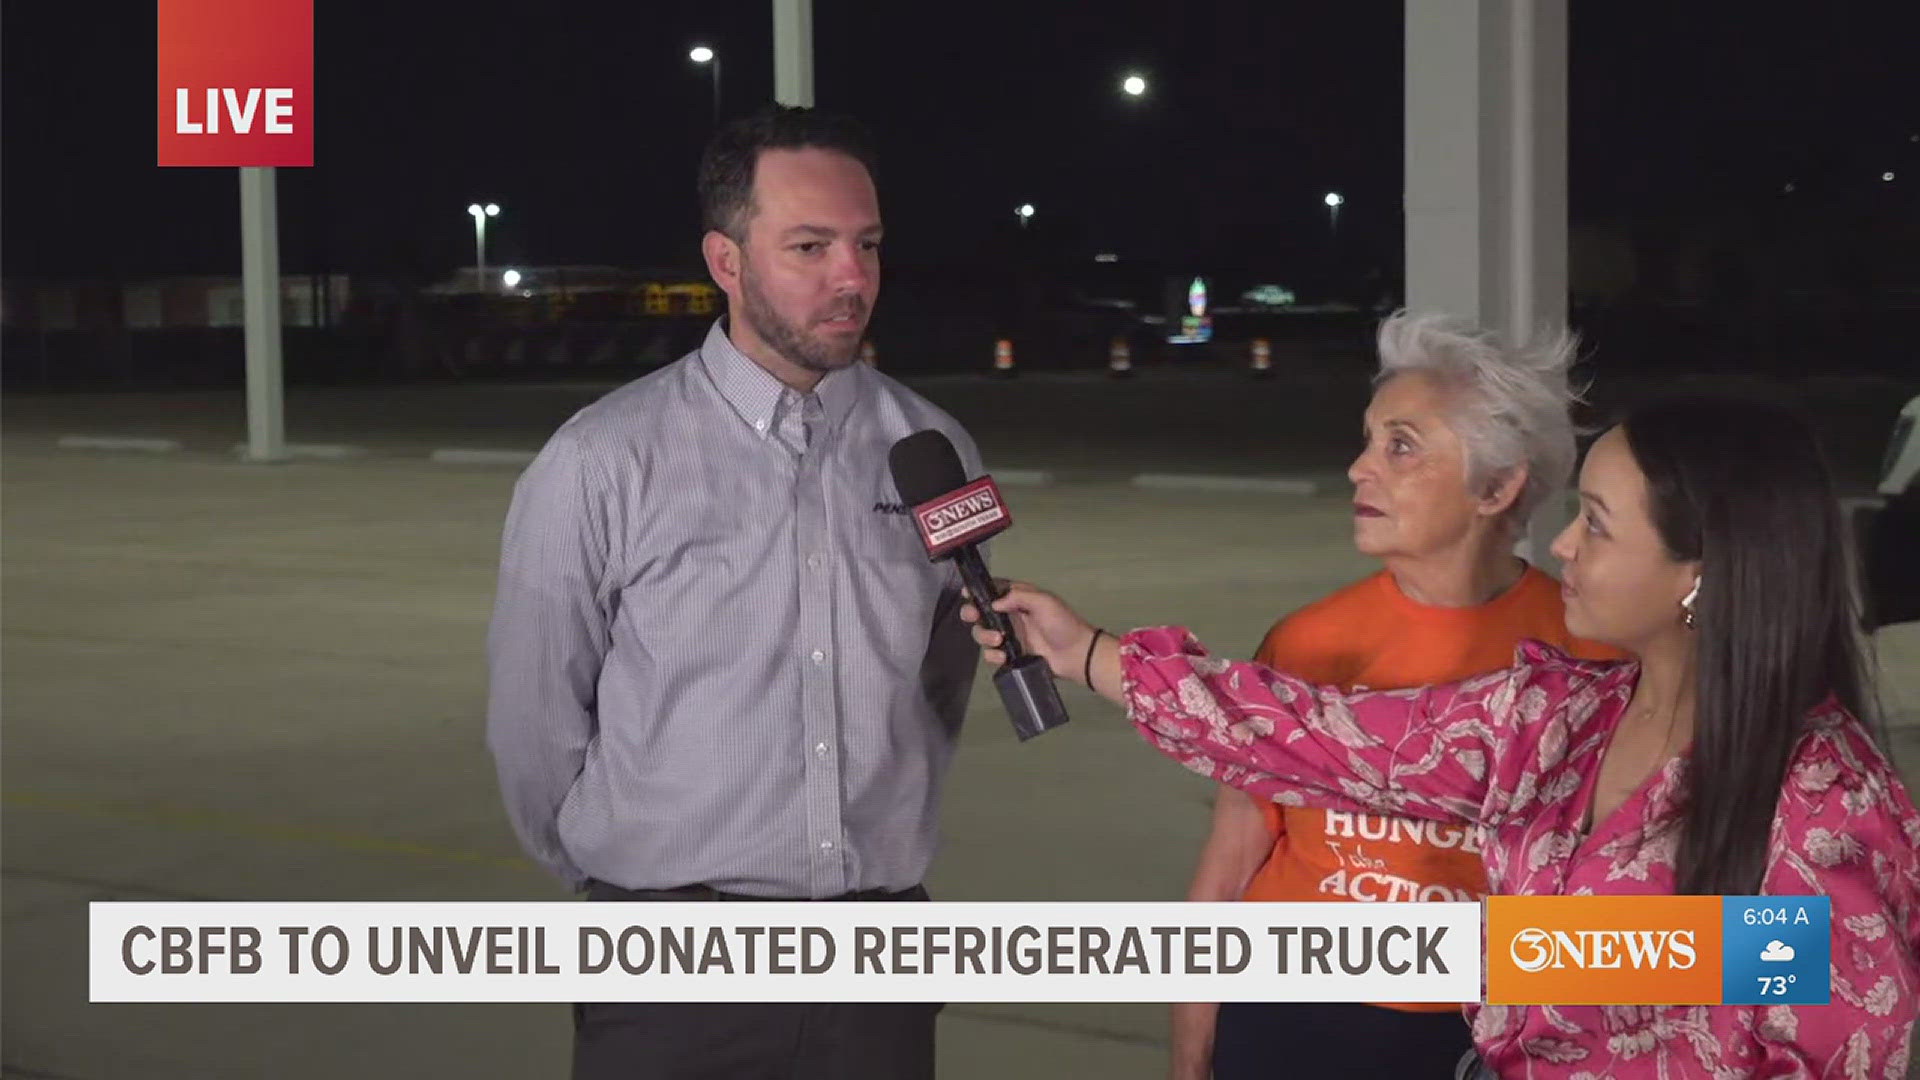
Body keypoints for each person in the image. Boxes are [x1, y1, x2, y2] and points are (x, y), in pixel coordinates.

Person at [966, 397, 1920, 1077]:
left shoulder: (1827, 808)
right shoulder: (1559, 717)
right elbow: (1321, 737)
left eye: (1595, 524)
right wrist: (1088, 653)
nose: (1562, 547)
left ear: (1701, 575)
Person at [487, 105, 981, 1080]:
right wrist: (637, 888)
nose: (853, 278)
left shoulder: (939, 453)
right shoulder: (601, 461)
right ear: (725, 259)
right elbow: (534, 725)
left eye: (867, 245)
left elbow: (943, 684)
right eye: (810, 246)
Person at [1174, 312, 1620, 1080]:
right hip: (1292, 1015)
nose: (1359, 468)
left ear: (1497, 486)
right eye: (1369, 439)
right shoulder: (1308, 643)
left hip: (1487, 1026)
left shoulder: (1589, 656)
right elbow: (1228, 867)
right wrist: (1191, 1056)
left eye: (1401, 446)